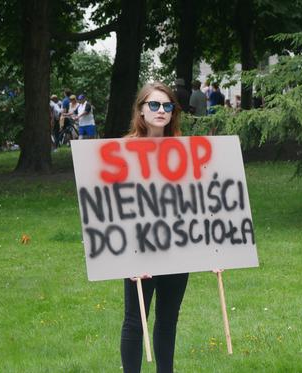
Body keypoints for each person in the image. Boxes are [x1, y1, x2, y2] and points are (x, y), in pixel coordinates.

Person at [120, 82, 189, 373]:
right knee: (135, 321)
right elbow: (114, 208)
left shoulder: (187, 151)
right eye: (154, 105)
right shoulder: (122, 152)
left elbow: (201, 204)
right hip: (138, 249)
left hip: (178, 249)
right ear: (141, 111)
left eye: (167, 106)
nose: (161, 111)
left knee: (168, 320)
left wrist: (214, 253)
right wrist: (128, 257)